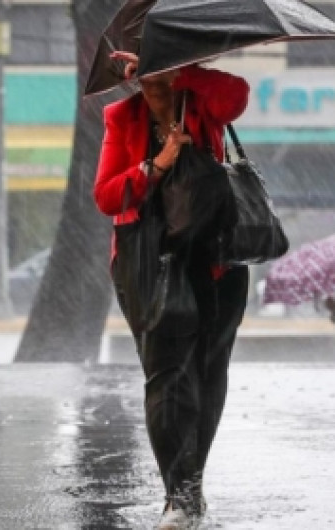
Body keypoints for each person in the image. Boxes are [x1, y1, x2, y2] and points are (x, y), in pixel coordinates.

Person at [93, 51, 249, 529]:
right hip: (148, 263)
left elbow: (237, 96)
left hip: (216, 260)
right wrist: (156, 165)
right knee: (166, 378)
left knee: (208, 374)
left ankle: (191, 484)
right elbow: (106, 196)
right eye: (144, 75)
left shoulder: (202, 101)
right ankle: (177, 497)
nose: (152, 84)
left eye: (157, 69)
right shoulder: (122, 117)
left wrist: (182, 70)